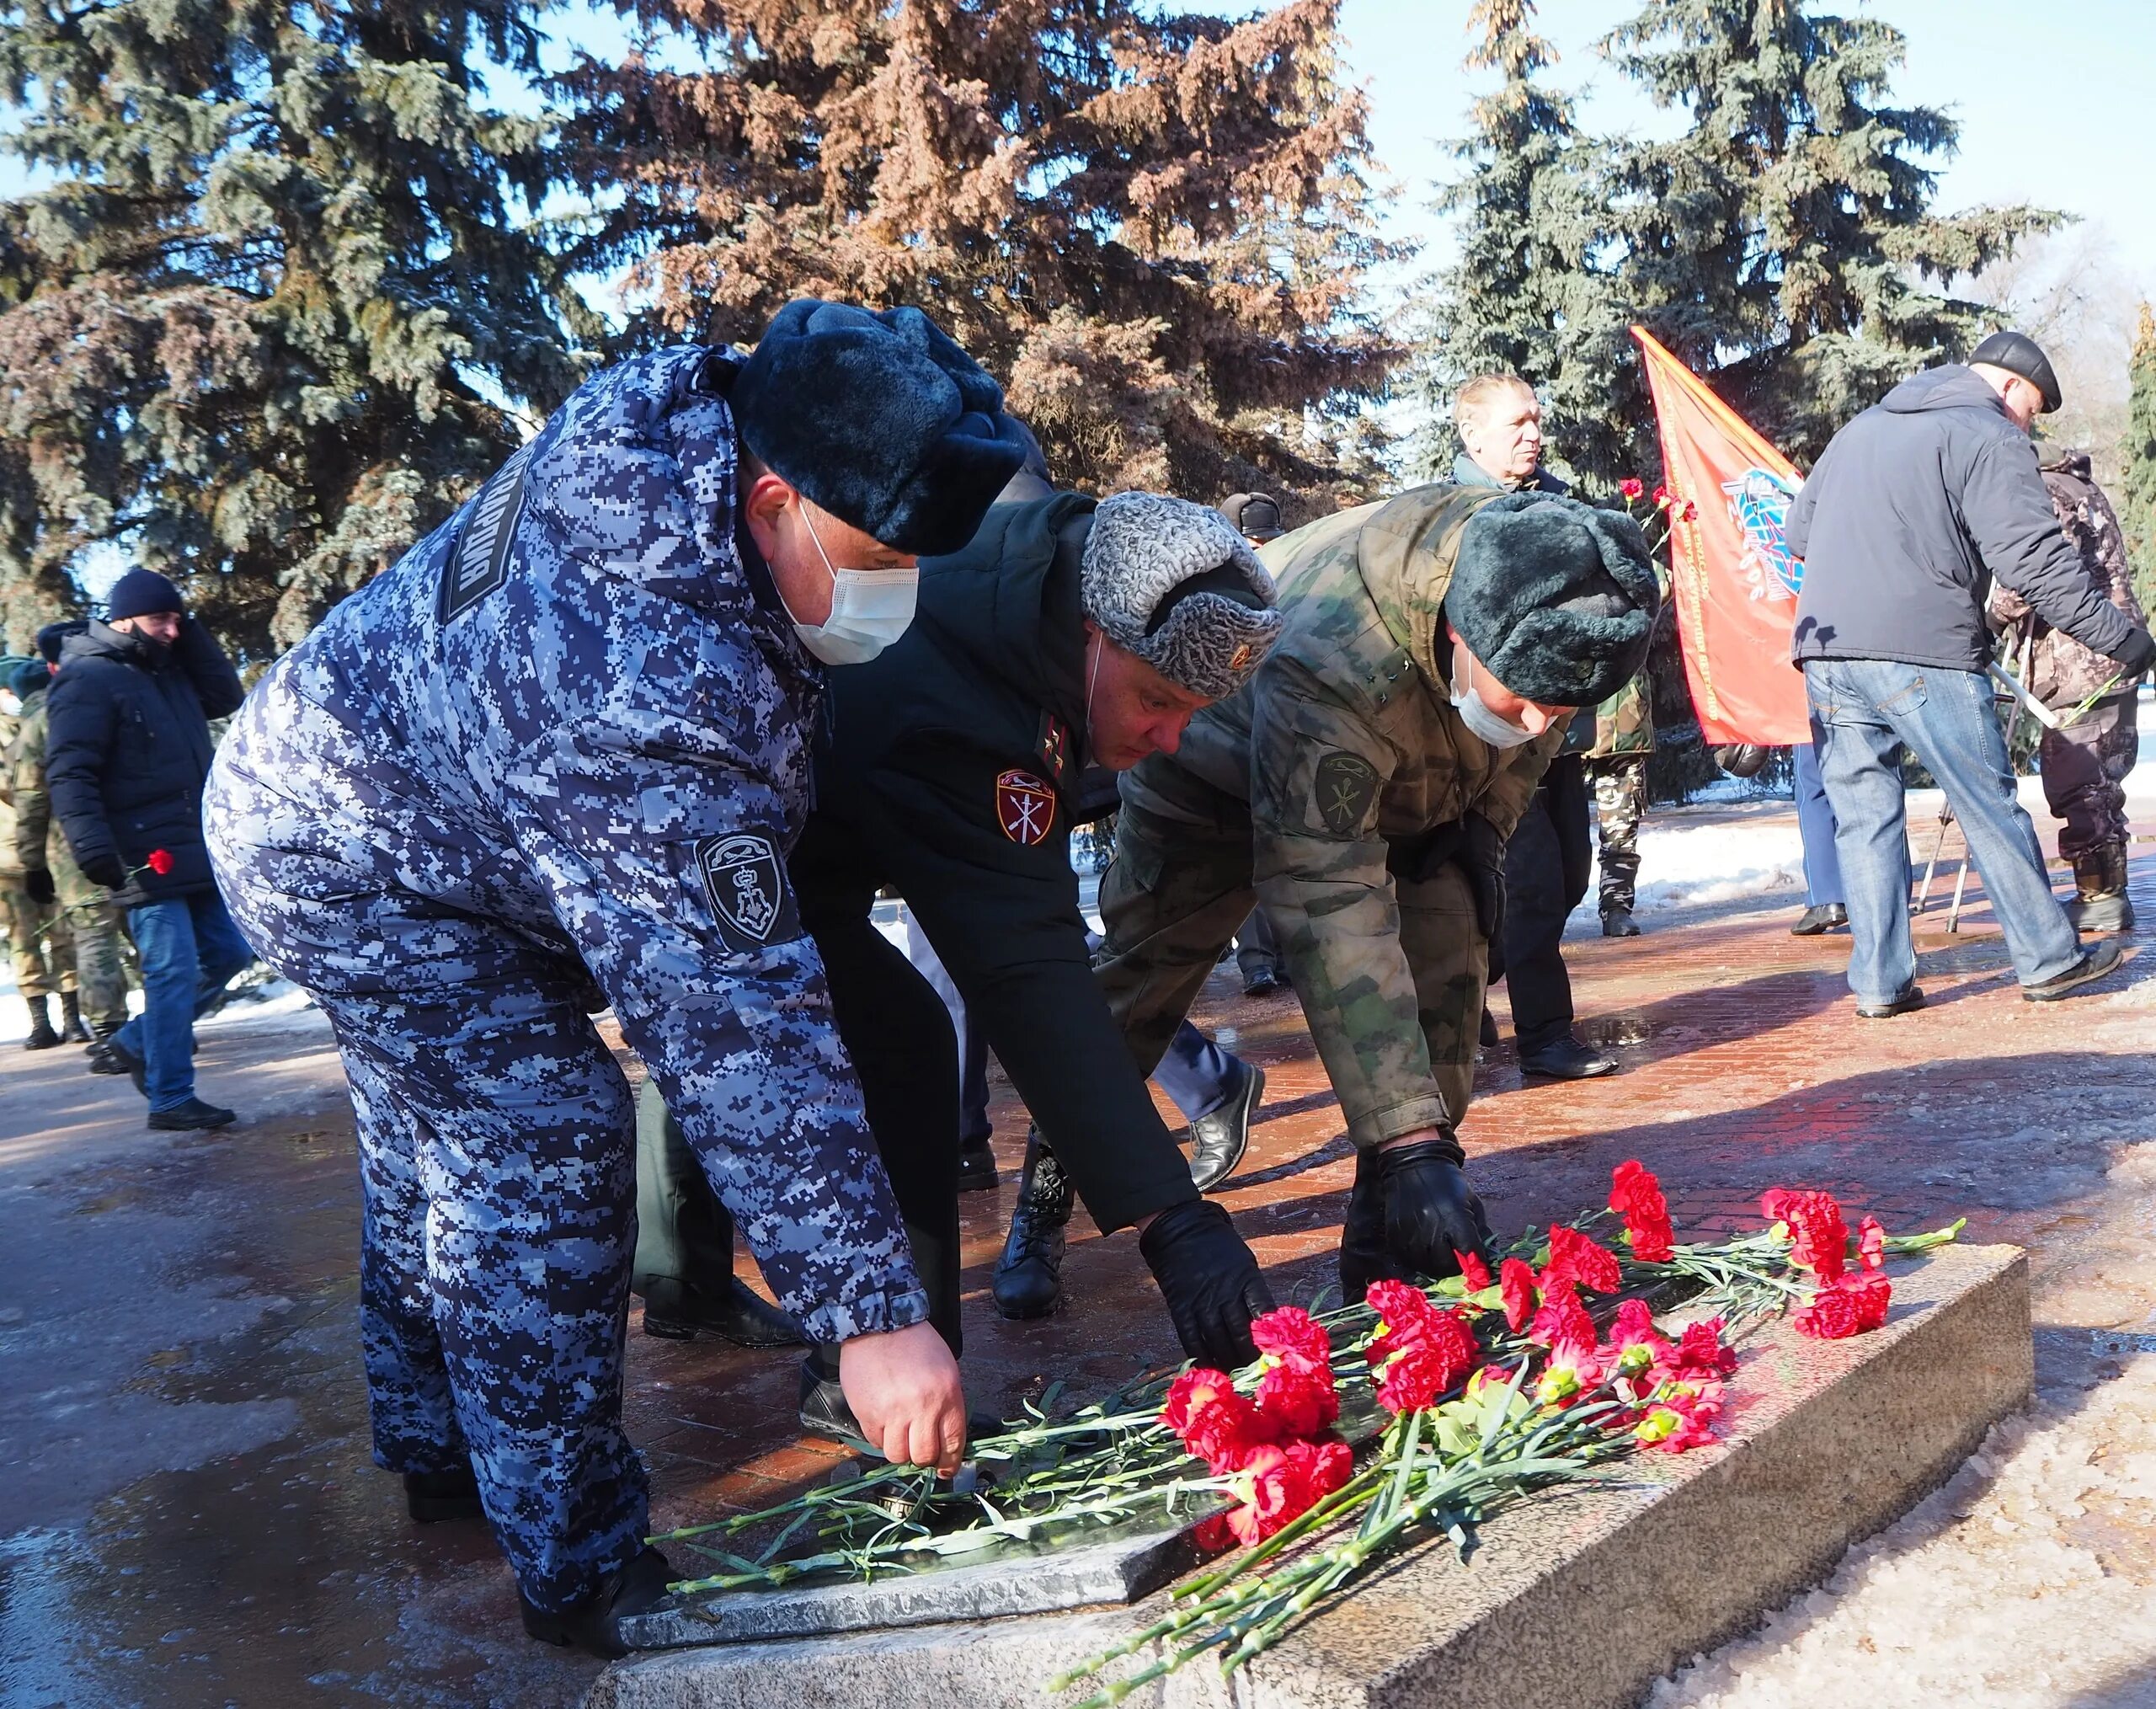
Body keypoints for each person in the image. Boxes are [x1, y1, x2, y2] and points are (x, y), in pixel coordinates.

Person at [204, 300, 1028, 1658]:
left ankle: (435, 1442)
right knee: (537, 1136)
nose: (901, 592)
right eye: (881, 557)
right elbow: (733, 1020)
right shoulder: (642, 678)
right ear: (776, 501)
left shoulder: (694, 435)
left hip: (407, 803)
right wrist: (873, 1317)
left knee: (427, 1141)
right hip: (343, 853)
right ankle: (575, 1560)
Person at [638, 489, 1287, 1419]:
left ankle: (723, 1293)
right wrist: (1171, 1218)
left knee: (821, 1020)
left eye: (1190, 713)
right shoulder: (965, 694)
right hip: (676, 836)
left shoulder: (1039, 600)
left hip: (791, 827)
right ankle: (881, 1379)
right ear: (1095, 635)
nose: (1168, 739)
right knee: (877, 1034)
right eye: (1156, 700)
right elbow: (1026, 970)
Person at [1093, 480, 1658, 1302]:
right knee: (1133, 994)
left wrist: (1481, 843)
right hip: (1208, 766)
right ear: (1464, 634)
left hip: (1411, 773)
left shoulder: (1559, 596)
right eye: (1524, 700)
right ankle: (1048, 1197)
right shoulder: (1331, 648)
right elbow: (1327, 897)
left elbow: (1517, 763)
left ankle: (1385, 1237)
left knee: (1447, 977)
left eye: (1561, 707)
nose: (1542, 724)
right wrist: (1407, 1136)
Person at [1789, 329, 2155, 1014]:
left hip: (1827, 651)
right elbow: (2035, 563)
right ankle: (2049, 960)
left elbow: (1798, 534)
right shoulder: (1986, 433)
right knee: (1988, 804)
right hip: (1924, 648)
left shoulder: (1861, 428)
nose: (2030, 424)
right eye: (2033, 407)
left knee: (1863, 818)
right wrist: (2123, 638)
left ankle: (1879, 983)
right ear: (2011, 386)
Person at [1450, 374, 1618, 1079]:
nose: (1533, 433)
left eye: (1537, 420)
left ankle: (1463, 982)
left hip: (1558, 736)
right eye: (1517, 423)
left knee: (1571, 876)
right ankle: (1546, 1037)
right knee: (1534, 886)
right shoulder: (1452, 516)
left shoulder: (1558, 505)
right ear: (1474, 434)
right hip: (1488, 741)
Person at [48, 571, 249, 1123]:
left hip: (191, 844)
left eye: (176, 620)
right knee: (172, 969)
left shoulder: (171, 670)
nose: (170, 629)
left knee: (232, 953)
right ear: (124, 618)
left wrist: (185, 625)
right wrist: (92, 848)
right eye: (159, 618)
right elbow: (69, 771)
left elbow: (225, 694)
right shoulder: (87, 677)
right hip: (138, 853)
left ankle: (137, 1042)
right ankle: (171, 1096)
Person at [1987, 451, 2147, 934]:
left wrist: (1991, 615)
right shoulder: (2076, 487)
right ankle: (2104, 892)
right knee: (2100, 779)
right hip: (2109, 655)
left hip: (2079, 660)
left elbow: (2035, 569)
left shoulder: (2047, 492)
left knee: (2080, 779)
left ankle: (2101, 897)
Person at [9, 631, 131, 1043]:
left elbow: (30, 800)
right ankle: (166, 1027)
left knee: (93, 935)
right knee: (143, 927)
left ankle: (107, 1032)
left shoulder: (35, 726)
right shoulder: (110, 696)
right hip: (129, 837)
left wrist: (33, 863)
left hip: (69, 847)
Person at [1217, 493, 1289, 995]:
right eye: (1254, 543)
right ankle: (1258, 961)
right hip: (1232, 741)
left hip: (1283, 736)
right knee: (1246, 853)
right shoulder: (1216, 595)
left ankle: (1282, 957)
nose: (1263, 551)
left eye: (1270, 541)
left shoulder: (1286, 587)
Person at [0, 656, 77, 1049]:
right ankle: (39, 1022)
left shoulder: (43, 722)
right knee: (24, 941)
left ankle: (73, 1017)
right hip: (9, 860)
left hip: (51, 849)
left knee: (65, 934)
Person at [1582, 675, 1653, 937]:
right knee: (1546, 824)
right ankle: (1535, 910)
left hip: (1621, 715)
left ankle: (1616, 907)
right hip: (1558, 716)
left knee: (1621, 823)